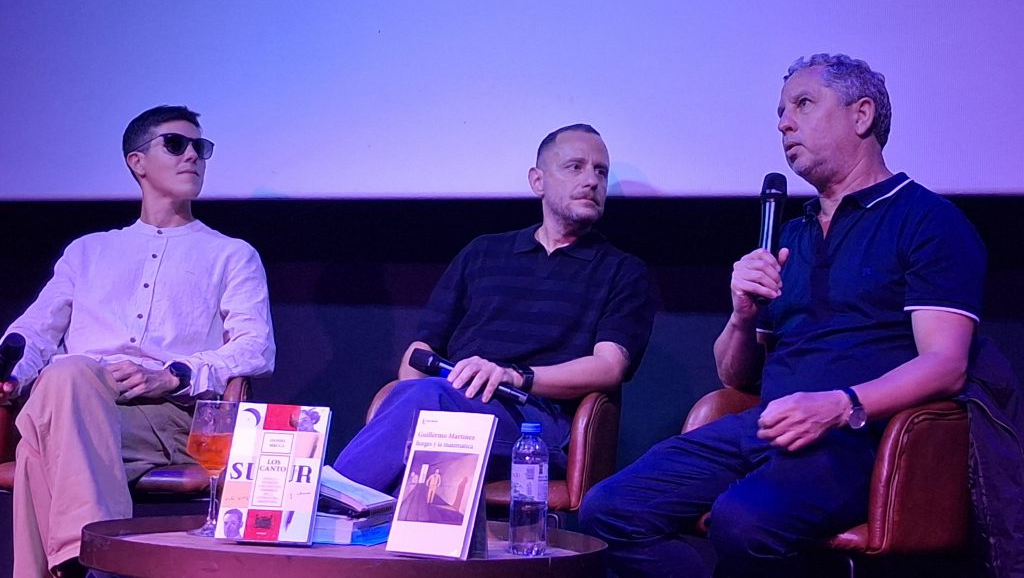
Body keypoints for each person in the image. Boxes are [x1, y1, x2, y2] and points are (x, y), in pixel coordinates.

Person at [580, 54, 986, 577]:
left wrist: (840, 406)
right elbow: (735, 375)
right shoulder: (790, 235)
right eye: (780, 111)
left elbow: (946, 364)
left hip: (860, 436)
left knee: (743, 521)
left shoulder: (927, 221)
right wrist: (742, 315)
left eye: (803, 105)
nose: (783, 122)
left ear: (861, 116)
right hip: (767, 425)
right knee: (608, 509)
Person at [0, 105, 275, 577]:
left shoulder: (231, 255)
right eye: (175, 144)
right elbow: (33, 332)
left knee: (39, 440)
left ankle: (93, 562)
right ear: (137, 162)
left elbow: (254, 348)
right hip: (75, 402)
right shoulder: (87, 251)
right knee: (64, 384)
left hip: (164, 419)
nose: (193, 155)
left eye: (200, 148)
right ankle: (92, 559)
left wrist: (172, 375)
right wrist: (8, 372)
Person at [333, 124, 656, 494]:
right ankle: (357, 519)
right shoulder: (483, 252)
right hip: (453, 400)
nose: (592, 181)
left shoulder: (621, 270)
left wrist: (513, 376)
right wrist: (409, 397)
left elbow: (608, 368)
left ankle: (333, 504)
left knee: (426, 402)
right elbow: (420, 352)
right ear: (538, 181)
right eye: (575, 167)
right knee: (413, 397)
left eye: (601, 171)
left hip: (537, 424)